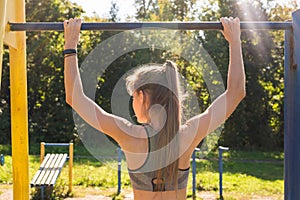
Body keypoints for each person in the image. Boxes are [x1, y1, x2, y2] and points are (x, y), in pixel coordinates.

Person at [63, 17, 245, 200]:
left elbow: (75, 98)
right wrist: (235, 41)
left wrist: (71, 46)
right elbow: (235, 92)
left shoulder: (128, 134)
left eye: (132, 97)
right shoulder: (188, 135)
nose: (132, 104)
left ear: (141, 96)